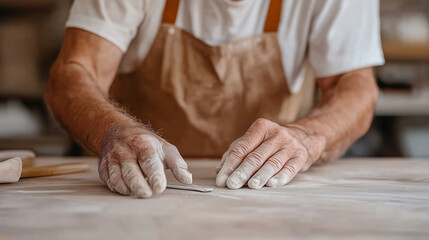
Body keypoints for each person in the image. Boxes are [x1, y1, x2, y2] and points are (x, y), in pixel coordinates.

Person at [46, 0, 384, 198]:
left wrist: (306, 138)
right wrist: (113, 132)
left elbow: (354, 86)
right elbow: (73, 74)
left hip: (267, 198)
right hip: (142, 194)